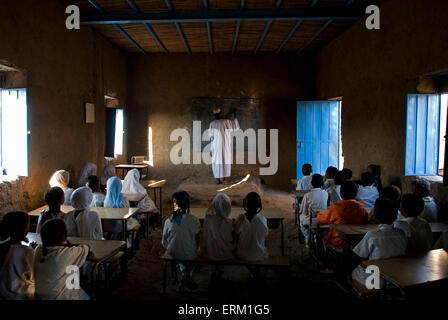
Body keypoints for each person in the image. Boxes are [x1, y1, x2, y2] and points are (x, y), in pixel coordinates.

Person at [351, 197, 407, 288]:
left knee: (354, 272)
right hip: (397, 277)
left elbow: (360, 254)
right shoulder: (401, 233)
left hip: (376, 279)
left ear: (376, 214)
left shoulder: (372, 235)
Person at [34, 219, 90, 300]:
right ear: (63, 236)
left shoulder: (38, 249)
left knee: (71, 269)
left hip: (40, 295)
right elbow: (86, 247)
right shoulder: (66, 253)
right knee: (73, 269)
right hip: (58, 296)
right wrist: (69, 245)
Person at [162, 191, 200, 291]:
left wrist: (171, 246)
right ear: (187, 205)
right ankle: (186, 274)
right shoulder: (194, 220)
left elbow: (164, 241)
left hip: (172, 252)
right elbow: (197, 239)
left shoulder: (168, 221)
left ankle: (183, 273)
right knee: (191, 255)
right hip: (189, 253)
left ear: (173, 205)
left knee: (178, 252)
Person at [317, 181, 369, 250]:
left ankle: (324, 257)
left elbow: (322, 220)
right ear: (356, 193)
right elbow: (366, 221)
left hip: (338, 241)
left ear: (341, 194)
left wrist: (318, 215)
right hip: (357, 244)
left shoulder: (336, 208)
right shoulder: (361, 209)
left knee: (322, 233)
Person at [0, 211, 36, 300]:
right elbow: (33, 275)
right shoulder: (26, 251)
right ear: (24, 229)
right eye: (28, 224)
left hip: (3, 293)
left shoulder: (2, 247)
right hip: (20, 296)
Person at [209, 107, 240, 185]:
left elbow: (211, 137)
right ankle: (224, 179)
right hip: (225, 145)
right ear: (221, 114)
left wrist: (211, 149)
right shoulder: (226, 121)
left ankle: (218, 179)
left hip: (215, 146)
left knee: (216, 162)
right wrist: (235, 113)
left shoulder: (212, 123)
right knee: (225, 160)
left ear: (214, 115)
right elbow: (235, 126)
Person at [234, 192, 269, 261]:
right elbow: (265, 234)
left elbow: (235, 234)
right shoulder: (262, 219)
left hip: (242, 254)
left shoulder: (241, 219)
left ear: (245, 204)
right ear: (259, 205)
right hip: (259, 255)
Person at [200, 193, 234, 261]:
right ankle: (220, 269)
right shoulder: (229, 222)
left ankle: (215, 269)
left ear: (214, 205)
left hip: (209, 254)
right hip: (226, 255)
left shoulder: (208, 220)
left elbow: (204, 238)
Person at [104, 176, 137, 242]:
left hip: (107, 226)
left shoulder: (106, 200)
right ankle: (129, 243)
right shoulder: (124, 199)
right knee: (136, 222)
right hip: (122, 225)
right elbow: (127, 213)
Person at [299, 174, 328, 245]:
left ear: (311, 183)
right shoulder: (326, 193)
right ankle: (315, 238)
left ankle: (307, 238)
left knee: (301, 218)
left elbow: (303, 211)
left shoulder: (307, 195)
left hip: (312, 220)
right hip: (324, 219)